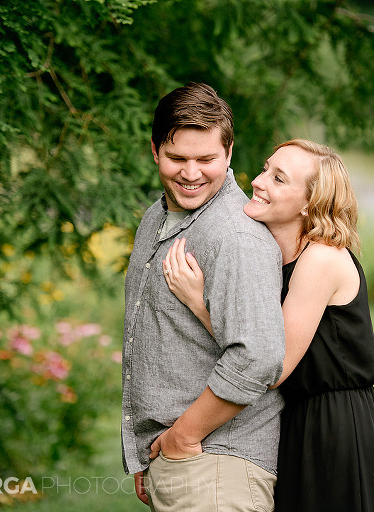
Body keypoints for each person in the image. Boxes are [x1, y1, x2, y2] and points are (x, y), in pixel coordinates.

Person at [164, 139, 374, 512]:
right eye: (265, 169)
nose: (258, 181)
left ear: (309, 202)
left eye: (279, 179)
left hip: (335, 425)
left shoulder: (321, 258)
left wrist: (199, 303)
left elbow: (272, 364)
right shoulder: (272, 254)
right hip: (294, 419)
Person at [121, 82, 286, 512]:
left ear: (229, 154)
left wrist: (181, 437)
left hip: (217, 467)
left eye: (206, 159)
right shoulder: (157, 217)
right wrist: (149, 450)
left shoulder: (234, 236)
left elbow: (259, 356)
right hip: (181, 462)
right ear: (155, 150)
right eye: (177, 158)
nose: (191, 173)